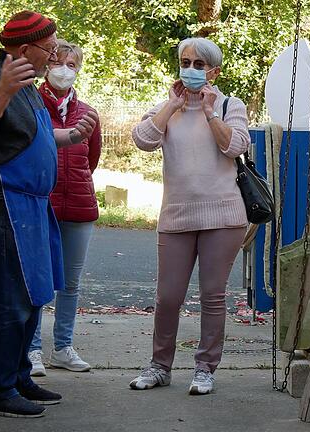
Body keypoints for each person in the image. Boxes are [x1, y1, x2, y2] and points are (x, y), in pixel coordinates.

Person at [0, 10, 97, 418]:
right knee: (11, 301)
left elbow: (28, 135)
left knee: (33, 296)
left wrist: (72, 136)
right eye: (49, 49)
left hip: (31, 207)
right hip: (5, 205)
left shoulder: (28, 86)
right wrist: (1, 89)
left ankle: (18, 375)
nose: (54, 57)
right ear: (24, 50)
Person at [130, 37, 250, 395]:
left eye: (199, 64)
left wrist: (210, 112)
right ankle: (159, 366)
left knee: (213, 295)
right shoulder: (167, 107)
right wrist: (171, 106)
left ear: (214, 71)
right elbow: (143, 139)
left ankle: (205, 368)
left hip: (224, 216)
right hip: (177, 215)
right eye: (185, 62)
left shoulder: (231, 105)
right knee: (168, 296)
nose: (191, 70)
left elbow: (235, 146)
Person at [28, 39, 102, 376]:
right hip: (40, 204)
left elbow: (92, 159)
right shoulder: (30, 104)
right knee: (38, 279)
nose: (64, 70)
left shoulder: (88, 113)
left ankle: (63, 347)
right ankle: (31, 351)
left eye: (72, 65)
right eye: (59, 62)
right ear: (46, 65)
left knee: (70, 283)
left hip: (78, 206)